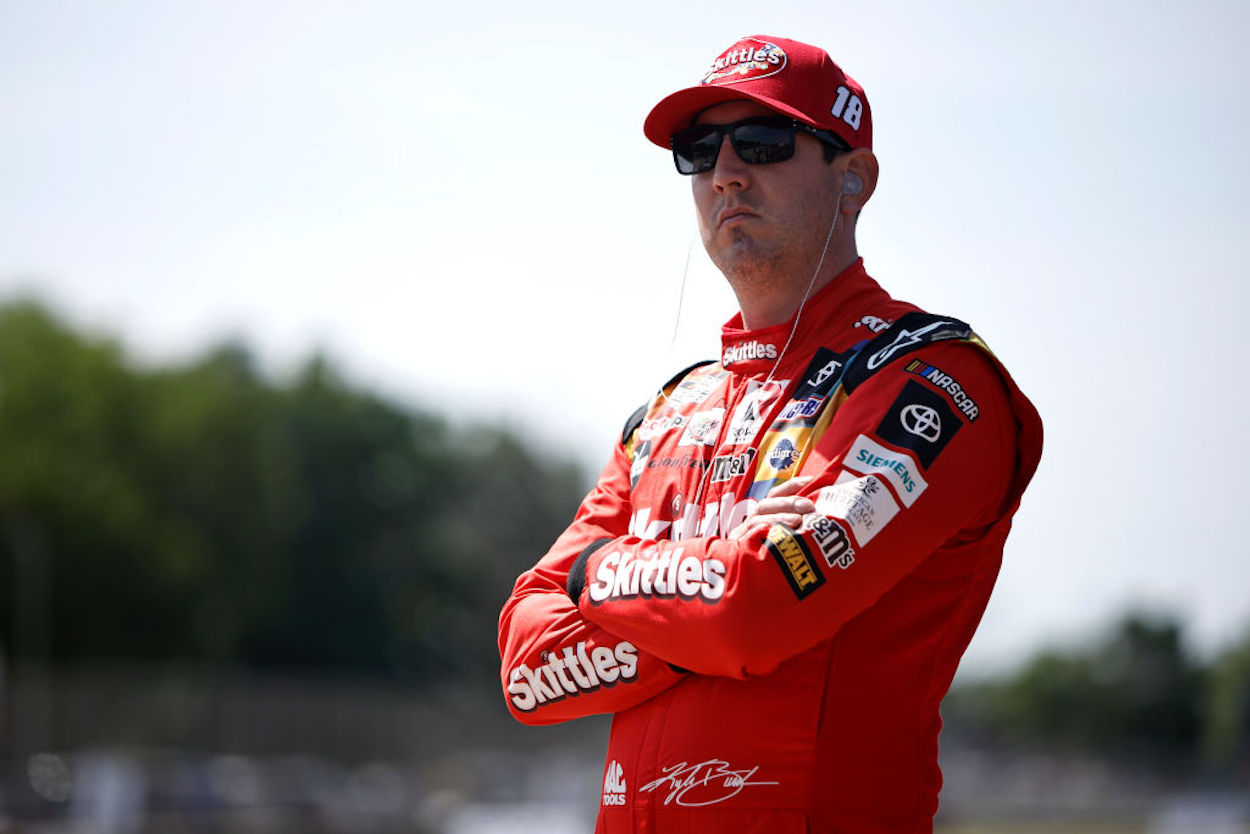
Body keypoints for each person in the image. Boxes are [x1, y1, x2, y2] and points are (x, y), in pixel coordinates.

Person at [497, 34, 1043, 833]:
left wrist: (595, 579)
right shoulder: (667, 414)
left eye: (763, 143)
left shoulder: (936, 381)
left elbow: (755, 608)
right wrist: (689, 599)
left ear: (853, 179)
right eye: (698, 149)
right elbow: (524, 668)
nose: (724, 173)